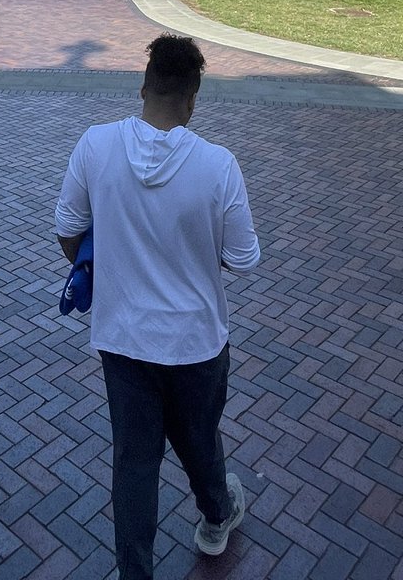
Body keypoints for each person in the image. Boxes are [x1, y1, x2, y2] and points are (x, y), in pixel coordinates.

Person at [54, 34, 260, 579]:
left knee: (135, 461)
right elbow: (241, 257)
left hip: (121, 339)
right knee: (199, 441)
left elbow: (67, 228)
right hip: (197, 340)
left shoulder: (96, 146)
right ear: (193, 99)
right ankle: (217, 514)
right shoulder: (219, 166)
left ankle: (135, 572)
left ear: (143, 87)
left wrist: (111, 260)